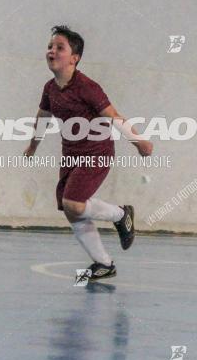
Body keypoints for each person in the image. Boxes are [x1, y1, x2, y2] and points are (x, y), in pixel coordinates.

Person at [23, 25, 153, 280]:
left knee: (74, 203)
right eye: (50, 46)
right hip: (71, 154)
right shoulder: (50, 88)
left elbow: (114, 116)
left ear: (75, 58)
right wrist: (33, 145)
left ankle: (121, 214)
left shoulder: (87, 87)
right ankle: (103, 263)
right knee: (70, 209)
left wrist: (139, 141)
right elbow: (43, 117)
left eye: (60, 48)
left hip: (97, 152)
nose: (52, 51)